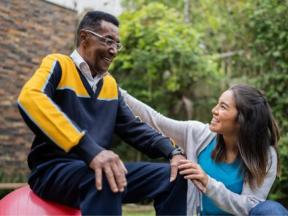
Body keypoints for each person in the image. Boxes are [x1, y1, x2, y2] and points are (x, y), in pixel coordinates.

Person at [17, 11, 188, 215]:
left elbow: (134, 128)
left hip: (98, 170)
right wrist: (90, 150)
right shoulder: (59, 64)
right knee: (107, 173)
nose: (114, 50)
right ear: (84, 38)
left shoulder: (109, 84)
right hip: (53, 171)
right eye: (108, 41)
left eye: (117, 44)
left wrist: (173, 152)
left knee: (176, 176)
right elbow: (30, 98)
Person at [121, 84, 288, 215]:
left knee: (271, 210)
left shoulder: (266, 155)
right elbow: (155, 120)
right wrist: (115, 90)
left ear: (243, 119)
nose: (214, 110)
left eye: (223, 107)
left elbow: (250, 207)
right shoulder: (198, 134)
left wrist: (208, 183)